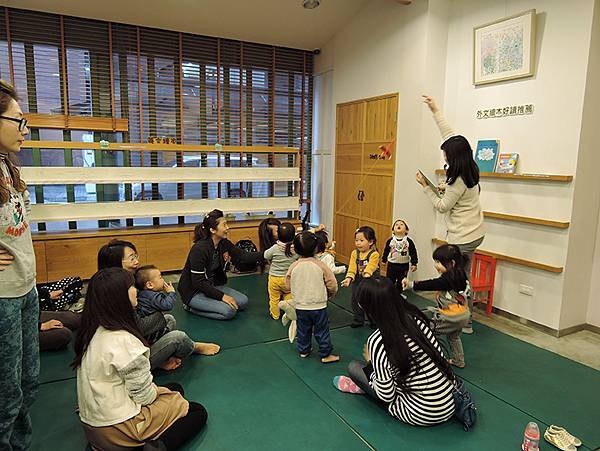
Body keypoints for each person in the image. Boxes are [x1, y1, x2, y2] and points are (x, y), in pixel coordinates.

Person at [73, 268, 207, 450]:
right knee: (196, 411)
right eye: (131, 286)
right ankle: (156, 447)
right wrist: (160, 393)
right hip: (119, 430)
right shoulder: (125, 340)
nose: (136, 289)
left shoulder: (93, 332)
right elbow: (145, 396)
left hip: (93, 429)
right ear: (119, 297)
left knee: (175, 389)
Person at [333, 277, 456, 426]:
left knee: (354, 367)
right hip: (450, 403)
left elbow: (386, 395)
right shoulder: (417, 319)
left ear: (365, 306)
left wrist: (371, 363)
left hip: (419, 413)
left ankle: (362, 388)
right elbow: (439, 358)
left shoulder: (378, 340)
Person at [98, 240, 218, 371]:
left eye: (136, 256)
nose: (136, 261)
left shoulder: (116, 282)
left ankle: (162, 359)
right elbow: (138, 328)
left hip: (138, 342)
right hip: (130, 359)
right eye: (131, 258)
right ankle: (191, 347)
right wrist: (158, 314)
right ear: (116, 263)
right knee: (178, 337)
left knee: (169, 320)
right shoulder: (117, 291)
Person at [420, 94, 485, 334]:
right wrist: (435, 110)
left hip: (464, 235)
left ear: (454, 158)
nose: (444, 157)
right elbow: (450, 136)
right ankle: (461, 315)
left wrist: (426, 187)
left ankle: (462, 320)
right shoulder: (469, 165)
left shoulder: (457, 180)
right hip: (476, 231)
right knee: (462, 275)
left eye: (446, 155)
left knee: (459, 278)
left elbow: (442, 206)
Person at [0, 79, 39, 450]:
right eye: (18, 121)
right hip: (3, 299)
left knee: (28, 380)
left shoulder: (8, 170)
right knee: (6, 393)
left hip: (25, 287)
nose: (24, 130)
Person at [179, 209, 264, 320]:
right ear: (213, 230)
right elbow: (198, 282)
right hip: (194, 292)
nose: (227, 228)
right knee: (229, 311)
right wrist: (223, 297)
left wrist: (269, 253)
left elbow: (244, 256)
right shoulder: (199, 249)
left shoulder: (223, 243)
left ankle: (211, 302)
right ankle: (189, 307)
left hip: (212, 287)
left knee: (243, 302)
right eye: (224, 225)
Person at [402, 244, 470, 368]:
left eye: (438, 262)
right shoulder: (460, 274)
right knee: (453, 337)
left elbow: (432, 284)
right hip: (463, 315)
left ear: (452, 263)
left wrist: (412, 284)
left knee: (428, 331)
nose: (435, 265)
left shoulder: (449, 279)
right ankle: (458, 361)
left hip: (451, 316)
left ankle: (431, 359)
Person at [285, 231, 340, 363]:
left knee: (303, 329)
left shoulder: (294, 266)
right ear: (316, 248)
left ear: (296, 249)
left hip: (301, 305)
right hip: (319, 305)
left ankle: (304, 350)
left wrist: (297, 292)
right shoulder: (320, 265)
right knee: (322, 330)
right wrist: (330, 293)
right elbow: (332, 283)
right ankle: (325, 354)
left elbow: (287, 284)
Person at [341, 226, 380, 328]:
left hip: (370, 281)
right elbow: (352, 267)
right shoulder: (355, 253)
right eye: (356, 240)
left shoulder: (374, 254)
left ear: (371, 242)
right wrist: (349, 278)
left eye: (362, 240)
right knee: (355, 299)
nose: (358, 243)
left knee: (370, 301)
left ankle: (374, 320)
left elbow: (371, 266)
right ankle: (358, 319)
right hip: (358, 281)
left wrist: (367, 275)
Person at [263, 222, 298, 320]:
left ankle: (275, 315)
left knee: (274, 298)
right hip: (288, 278)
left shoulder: (275, 248)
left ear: (278, 235)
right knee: (289, 294)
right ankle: (287, 305)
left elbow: (266, 255)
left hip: (274, 278)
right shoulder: (295, 249)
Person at [381, 219, 418, 289]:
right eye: (396, 224)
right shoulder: (390, 241)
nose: (399, 225)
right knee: (389, 280)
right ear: (393, 231)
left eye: (401, 224)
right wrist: (384, 259)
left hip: (404, 265)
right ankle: (389, 293)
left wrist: (414, 263)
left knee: (401, 281)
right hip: (392, 264)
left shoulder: (409, 241)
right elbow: (386, 250)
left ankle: (399, 294)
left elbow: (413, 252)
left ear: (406, 230)